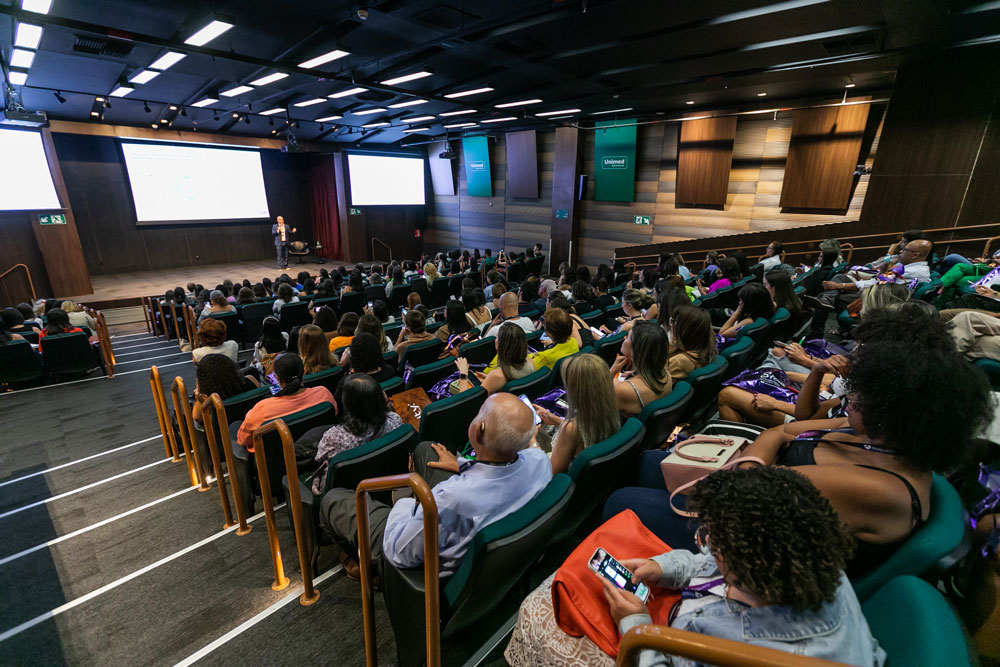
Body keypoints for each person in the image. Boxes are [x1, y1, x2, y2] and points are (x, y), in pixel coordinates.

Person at [505, 467, 885, 667]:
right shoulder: (805, 559)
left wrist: (636, 627)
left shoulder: (750, 652)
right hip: (682, 616)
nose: (703, 541)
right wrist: (662, 566)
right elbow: (707, 565)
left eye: (711, 539)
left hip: (654, 641)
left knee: (538, 608)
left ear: (741, 566)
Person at [319, 393, 552, 578]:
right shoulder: (540, 460)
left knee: (333, 500)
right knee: (426, 449)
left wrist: (406, 498)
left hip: (411, 554)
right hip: (482, 515)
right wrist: (464, 465)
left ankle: (370, 568)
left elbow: (399, 551)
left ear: (479, 430)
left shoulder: (451, 498)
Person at [311, 374, 404, 494]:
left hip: (346, 495)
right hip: (388, 484)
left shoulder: (334, 437)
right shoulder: (395, 420)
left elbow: (319, 458)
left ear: (348, 404)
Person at [534, 354, 621, 474]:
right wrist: (555, 419)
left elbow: (552, 472)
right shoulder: (611, 407)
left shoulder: (571, 429)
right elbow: (583, 428)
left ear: (577, 391)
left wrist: (533, 442)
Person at [234, 354, 335, 450]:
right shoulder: (323, 393)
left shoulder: (262, 409)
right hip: (318, 452)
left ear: (277, 378)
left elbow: (242, 440)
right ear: (303, 372)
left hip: (277, 465)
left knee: (234, 427)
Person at [609, 321, 672, 416]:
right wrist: (635, 371)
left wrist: (612, 371)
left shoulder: (621, 389)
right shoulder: (666, 374)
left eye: (628, 337)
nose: (624, 338)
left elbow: (594, 394)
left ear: (636, 350)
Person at [457, 322, 535, 394]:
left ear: (501, 345)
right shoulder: (530, 362)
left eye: (497, 337)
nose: (495, 340)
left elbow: (466, 401)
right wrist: (489, 379)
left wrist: (463, 373)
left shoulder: (497, 375)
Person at [190, 353, 258, 424]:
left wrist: (198, 393)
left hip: (226, 433)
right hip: (256, 424)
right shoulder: (251, 380)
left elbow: (197, 417)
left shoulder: (209, 400)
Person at [667, 305, 715, 381]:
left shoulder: (678, 361)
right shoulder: (705, 349)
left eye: (673, 321)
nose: (670, 325)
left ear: (684, 330)